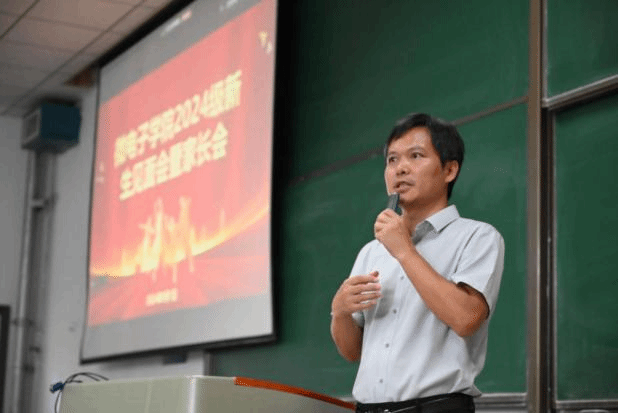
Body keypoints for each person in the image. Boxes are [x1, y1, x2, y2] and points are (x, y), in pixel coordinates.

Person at [330, 113, 504, 413]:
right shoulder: (371, 252)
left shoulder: (478, 237)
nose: (400, 168)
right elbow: (351, 352)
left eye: (416, 156)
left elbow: (466, 319)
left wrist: (404, 251)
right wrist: (340, 312)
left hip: (437, 408)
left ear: (449, 170)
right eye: (392, 160)